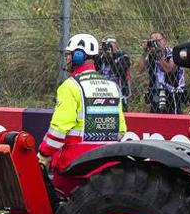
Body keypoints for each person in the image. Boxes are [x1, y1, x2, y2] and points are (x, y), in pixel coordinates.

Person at [38, 33, 126, 197]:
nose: (68, 59)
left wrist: (44, 153)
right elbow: (121, 130)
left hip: (75, 167)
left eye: (70, 55)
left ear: (79, 56)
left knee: (55, 211)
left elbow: (59, 131)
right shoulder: (112, 86)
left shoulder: (70, 86)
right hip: (108, 165)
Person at [142, 32, 185, 113]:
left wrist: (158, 54)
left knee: (173, 121)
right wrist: (144, 52)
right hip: (155, 92)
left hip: (172, 93)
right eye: (153, 41)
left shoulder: (173, 53)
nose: (156, 44)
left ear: (165, 40)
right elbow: (140, 69)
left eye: (158, 40)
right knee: (154, 121)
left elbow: (168, 69)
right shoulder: (150, 55)